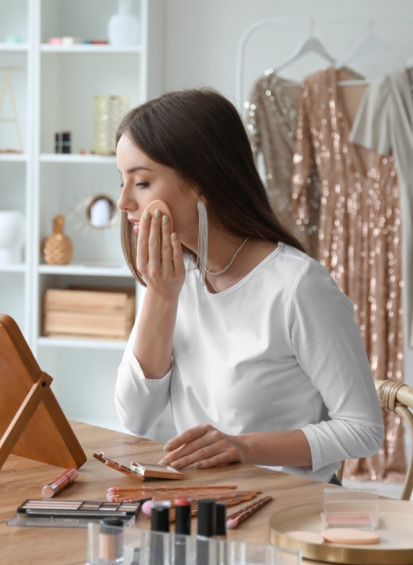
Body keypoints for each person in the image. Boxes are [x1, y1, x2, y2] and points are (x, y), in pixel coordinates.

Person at [112, 88, 384, 483]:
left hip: (288, 512)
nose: (122, 202)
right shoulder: (170, 279)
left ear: (201, 182)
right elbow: (135, 418)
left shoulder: (298, 286)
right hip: (203, 505)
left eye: (140, 183)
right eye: (121, 181)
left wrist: (243, 448)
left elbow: (363, 430)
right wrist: (161, 295)